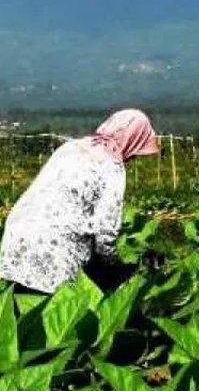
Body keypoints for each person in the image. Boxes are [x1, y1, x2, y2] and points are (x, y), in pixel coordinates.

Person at [0, 109, 159, 295]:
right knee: (53, 311)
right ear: (133, 140)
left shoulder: (71, 147)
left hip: (17, 233)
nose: (134, 158)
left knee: (19, 308)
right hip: (55, 248)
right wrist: (113, 267)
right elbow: (106, 230)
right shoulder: (112, 166)